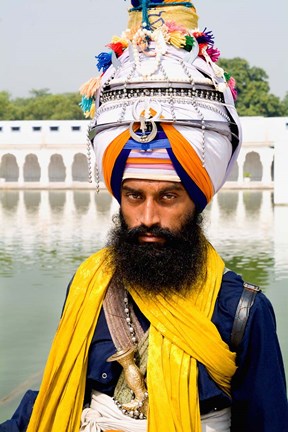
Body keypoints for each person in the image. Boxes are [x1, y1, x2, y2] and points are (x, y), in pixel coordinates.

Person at [1, 0, 288, 431]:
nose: (147, 216)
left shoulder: (243, 312)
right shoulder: (89, 287)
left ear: (197, 199)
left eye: (169, 197)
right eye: (134, 196)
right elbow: (57, 397)